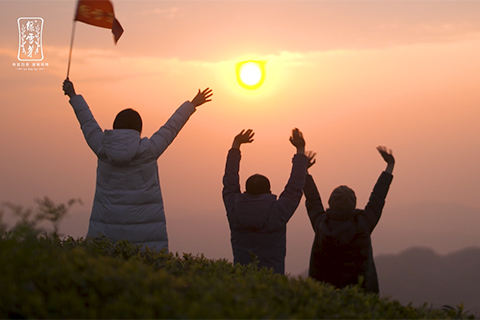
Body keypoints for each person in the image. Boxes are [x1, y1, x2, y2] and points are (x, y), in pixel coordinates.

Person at [62, 78, 212, 251]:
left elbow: (87, 122)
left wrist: (73, 95)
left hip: (105, 236)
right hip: (146, 242)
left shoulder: (102, 148)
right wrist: (192, 104)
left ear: (115, 126)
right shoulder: (149, 151)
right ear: (138, 129)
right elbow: (171, 128)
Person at [303, 146, 395, 293]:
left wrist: (304, 171)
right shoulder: (364, 223)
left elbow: (312, 199)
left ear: (330, 203)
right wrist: (390, 166)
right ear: (354, 204)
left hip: (322, 295)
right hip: (360, 296)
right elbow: (378, 197)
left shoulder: (321, 224)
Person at [222, 128, 308, 274]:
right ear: (269, 191)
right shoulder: (278, 212)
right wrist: (300, 149)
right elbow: (295, 187)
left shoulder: (234, 208)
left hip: (240, 280)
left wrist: (236, 145)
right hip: (272, 280)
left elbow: (230, 182)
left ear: (245, 191)